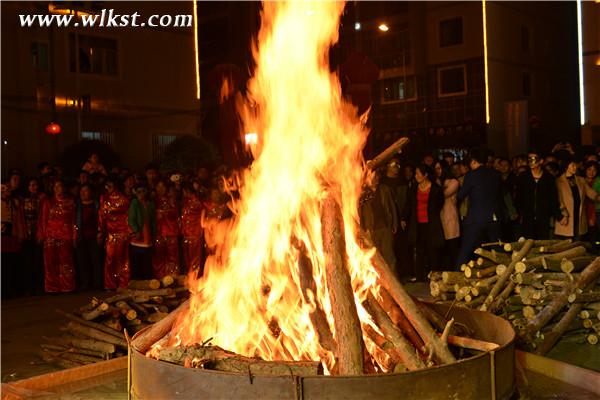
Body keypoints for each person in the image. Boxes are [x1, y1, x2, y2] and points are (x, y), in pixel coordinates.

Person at [456, 149, 505, 268]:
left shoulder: (471, 175)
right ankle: (505, 274)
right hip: (493, 216)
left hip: (476, 217)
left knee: (466, 249)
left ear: (473, 161)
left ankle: (456, 273)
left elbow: (461, 195)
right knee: (497, 249)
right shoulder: (495, 174)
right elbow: (501, 194)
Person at [401, 164, 445, 281]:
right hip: (418, 223)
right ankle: (420, 276)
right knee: (419, 249)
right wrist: (403, 218)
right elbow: (409, 204)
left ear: (425, 175)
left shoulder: (435, 189)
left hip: (431, 223)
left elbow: (439, 204)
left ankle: (435, 275)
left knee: (433, 250)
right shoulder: (414, 188)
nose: (415, 176)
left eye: (417, 173)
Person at [37, 179, 77, 293]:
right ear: (53, 188)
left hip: (66, 235)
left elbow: (74, 220)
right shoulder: (48, 202)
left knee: (66, 262)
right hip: (50, 236)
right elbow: (43, 219)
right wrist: (43, 235)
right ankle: (52, 287)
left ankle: (67, 286)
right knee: (50, 262)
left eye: (61, 186)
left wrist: (74, 235)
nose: (59, 188)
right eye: (57, 186)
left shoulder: (70, 202)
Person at [515, 150, 561, 240]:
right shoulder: (523, 177)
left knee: (542, 242)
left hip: (543, 216)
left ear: (541, 161)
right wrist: (519, 212)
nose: (531, 162)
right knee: (527, 242)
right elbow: (518, 197)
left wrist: (557, 214)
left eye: (534, 159)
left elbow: (553, 198)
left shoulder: (549, 178)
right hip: (527, 217)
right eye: (529, 159)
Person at [361, 171, 398, 276]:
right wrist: (363, 229)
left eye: (377, 176)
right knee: (376, 257)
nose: (376, 179)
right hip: (371, 229)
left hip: (385, 227)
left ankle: (394, 280)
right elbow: (361, 212)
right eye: (374, 177)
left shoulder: (384, 189)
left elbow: (392, 207)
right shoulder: (364, 193)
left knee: (389, 256)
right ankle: (379, 283)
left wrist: (394, 223)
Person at [380, 158, 412, 279]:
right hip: (387, 221)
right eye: (394, 165)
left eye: (398, 165)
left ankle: (403, 274)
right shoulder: (382, 183)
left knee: (402, 247)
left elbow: (407, 202)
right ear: (388, 166)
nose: (396, 167)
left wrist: (403, 217)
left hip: (400, 220)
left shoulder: (402, 182)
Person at [555, 157, 600, 240]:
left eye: (575, 165)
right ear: (566, 167)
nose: (575, 167)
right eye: (572, 165)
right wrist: (562, 212)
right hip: (566, 215)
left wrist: (597, 197)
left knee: (578, 241)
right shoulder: (559, 181)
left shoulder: (580, 180)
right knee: (566, 242)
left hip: (579, 215)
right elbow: (558, 199)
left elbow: (591, 193)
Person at [98, 177, 131, 289]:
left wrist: (129, 231)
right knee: (110, 259)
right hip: (110, 234)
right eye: (107, 186)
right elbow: (101, 216)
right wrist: (100, 231)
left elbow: (128, 216)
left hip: (122, 233)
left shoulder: (124, 199)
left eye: (110, 185)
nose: (108, 188)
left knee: (123, 260)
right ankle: (110, 284)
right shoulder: (104, 199)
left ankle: (123, 283)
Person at [1, 182, 26, 298]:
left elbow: (19, 220)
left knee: (11, 264)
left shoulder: (14, 203)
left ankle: (10, 288)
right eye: (3, 189)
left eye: (7, 189)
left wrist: (21, 234)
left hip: (11, 236)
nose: (5, 191)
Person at [75, 184, 102, 290]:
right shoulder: (77, 206)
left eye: (86, 191)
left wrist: (100, 232)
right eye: (81, 191)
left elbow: (100, 219)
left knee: (96, 261)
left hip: (94, 236)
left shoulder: (97, 205)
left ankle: (98, 283)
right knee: (83, 261)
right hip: (81, 236)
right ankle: (86, 283)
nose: (83, 193)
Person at [434, 160, 460, 268]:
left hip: (450, 217)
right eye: (435, 169)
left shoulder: (453, 182)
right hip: (439, 218)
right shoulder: (436, 181)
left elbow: (443, 195)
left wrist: (438, 186)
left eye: (439, 168)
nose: (437, 171)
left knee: (453, 247)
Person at [22, 178, 45, 295]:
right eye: (31, 185)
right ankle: (28, 288)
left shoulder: (41, 200)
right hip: (27, 234)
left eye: (35, 185)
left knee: (38, 261)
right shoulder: (23, 200)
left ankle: (38, 287)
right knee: (27, 262)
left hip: (37, 233)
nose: (33, 187)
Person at [153, 180, 180, 278]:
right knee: (159, 257)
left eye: (163, 186)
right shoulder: (153, 201)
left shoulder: (172, 200)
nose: (161, 189)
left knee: (172, 257)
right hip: (158, 233)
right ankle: (159, 278)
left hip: (171, 232)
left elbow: (176, 216)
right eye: (158, 186)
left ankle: (173, 278)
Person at [128, 184, 156, 279]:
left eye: (143, 191)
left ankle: (147, 281)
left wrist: (154, 234)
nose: (141, 194)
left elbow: (153, 220)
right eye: (138, 191)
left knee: (147, 259)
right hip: (139, 235)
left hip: (147, 234)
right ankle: (137, 281)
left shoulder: (150, 204)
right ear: (135, 193)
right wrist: (136, 231)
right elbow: (131, 219)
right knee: (137, 260)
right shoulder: (135, 203)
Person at [182, 183, 205, 273]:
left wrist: (200, 230)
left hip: (194, 233)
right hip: (186, 233)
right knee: (188, 257)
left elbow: (203, 214)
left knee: (195, 256)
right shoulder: (186, 201)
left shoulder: (197, 201)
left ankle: (195, 275)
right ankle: (191, 274)